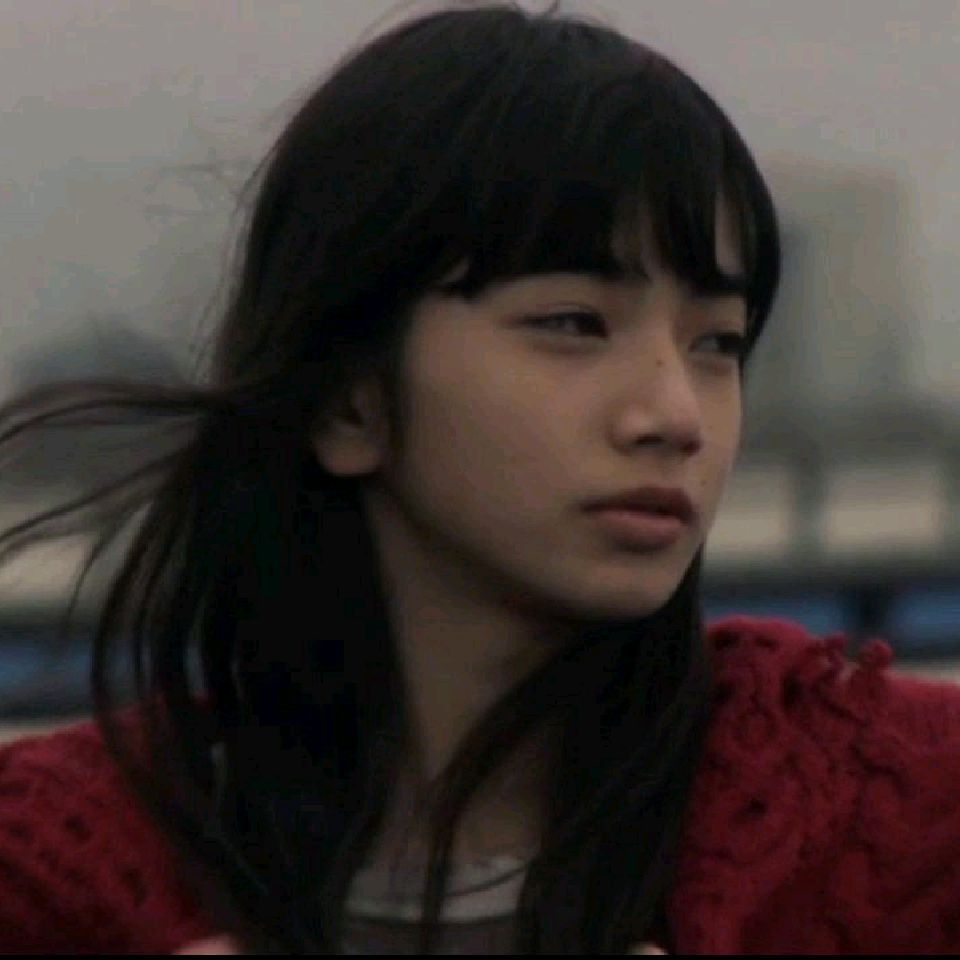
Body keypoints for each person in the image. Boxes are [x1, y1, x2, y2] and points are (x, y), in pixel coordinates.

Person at [1, 1, 959, 954]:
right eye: (574, 323)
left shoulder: (903, 817)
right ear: (348, 401)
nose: (675, 416)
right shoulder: (51, 870)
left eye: (718, 343)